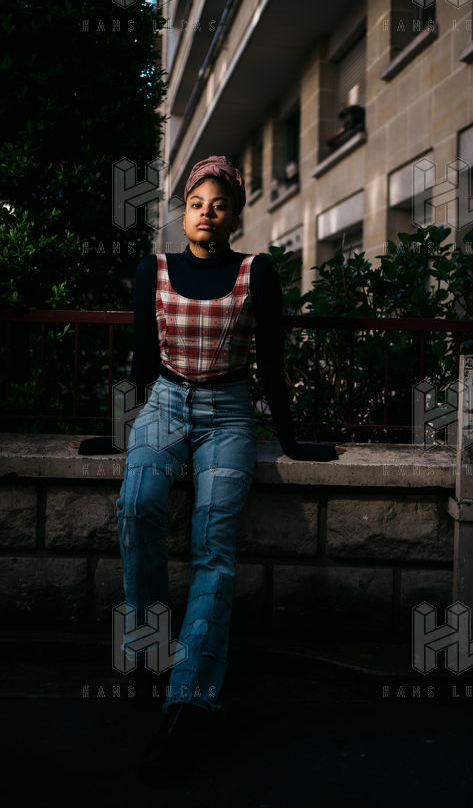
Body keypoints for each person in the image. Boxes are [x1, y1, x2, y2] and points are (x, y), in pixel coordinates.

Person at [114, 155, 345, 786]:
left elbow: (272, 361)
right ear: (183, 211)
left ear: (235, 213)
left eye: (219, 205)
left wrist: (292, 443)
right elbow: (142, 360)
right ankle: (148, 654)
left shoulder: (256, 271)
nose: (206, 214)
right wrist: (116, 434)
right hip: (164, 407)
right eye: (196, 204)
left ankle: (190, 702)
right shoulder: (154, 270)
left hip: (229, 414)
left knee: (214, 543)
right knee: (137, 505)